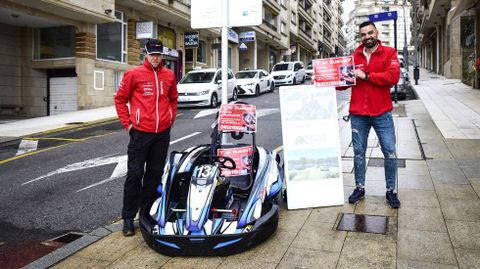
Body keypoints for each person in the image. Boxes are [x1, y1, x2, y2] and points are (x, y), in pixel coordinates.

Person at [114, 39, 178, 236]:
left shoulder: (169, 75)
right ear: (146, 54)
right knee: (134, 174)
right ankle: (127, 217)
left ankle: (146, 213)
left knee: (154, 174)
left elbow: (174, 99)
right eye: (152, 54)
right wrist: (129, 125)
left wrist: (170, 119)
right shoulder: (134, 74)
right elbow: (120, 99)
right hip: (140, 133)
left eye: (159, 55)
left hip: (161, 134)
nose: (156, 58)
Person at [336, 21, 401, 208]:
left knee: (389, 151)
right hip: (358, 114)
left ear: (377, 33)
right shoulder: (353, 56)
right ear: (360, 36)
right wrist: (324, 78)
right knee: (358, 153)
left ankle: (391, 191)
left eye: (370, 33)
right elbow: (342, 84)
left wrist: (367, 75)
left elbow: (393, 77)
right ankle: (360, 187)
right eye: (363, 34)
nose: (367, 37)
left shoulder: (389, 53)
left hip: (382, 113)